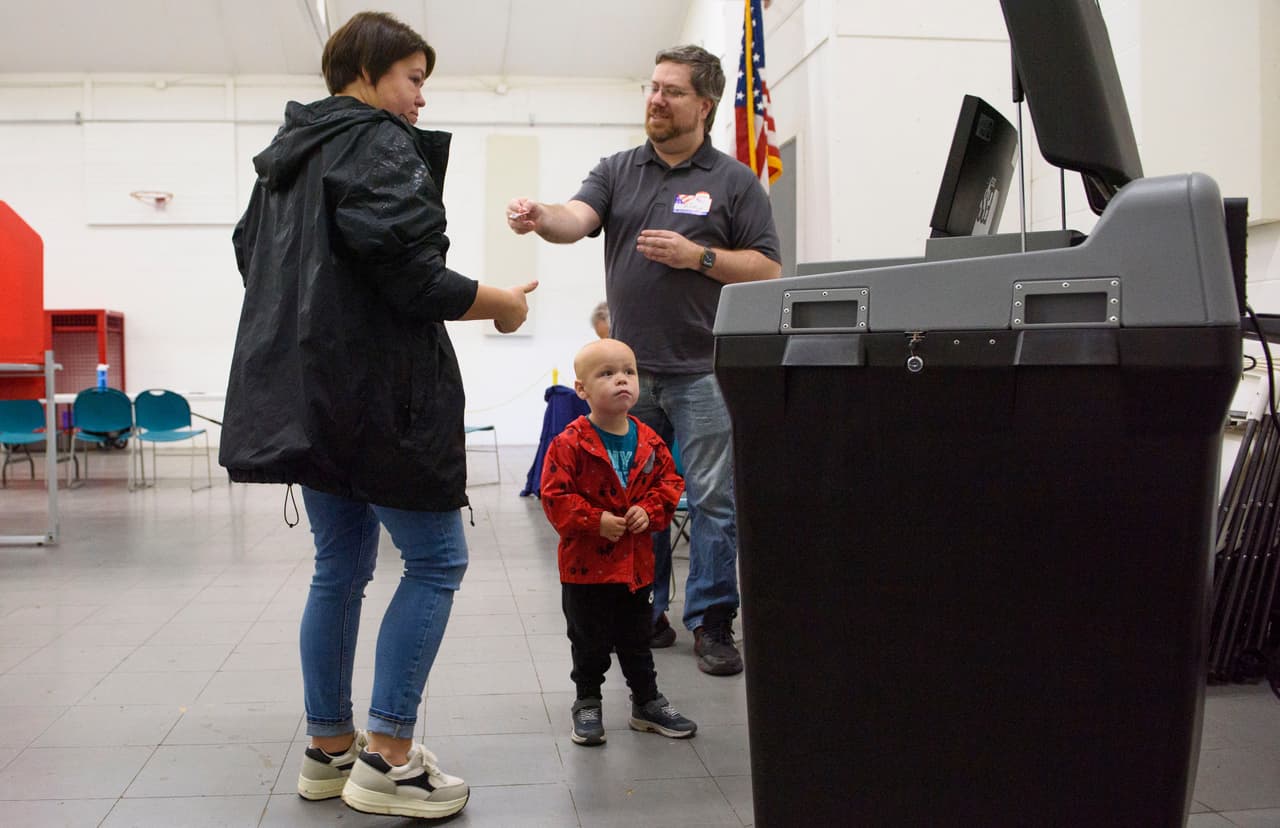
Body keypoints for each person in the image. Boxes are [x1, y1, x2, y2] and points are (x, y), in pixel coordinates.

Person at [219, 11, 536, 821]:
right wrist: (500, 302)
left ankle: (329, 749)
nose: (421, 100)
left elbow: (250, 258)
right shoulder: (376, 141)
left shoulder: (284, 161)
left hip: (312, 403)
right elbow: (413, 278)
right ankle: (390, 757)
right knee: (435, 563)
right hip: (379, 400)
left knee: (340, 569)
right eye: (414, 79)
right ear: (366, 72)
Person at [507, 45, 781, 676]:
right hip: (631, 379)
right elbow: (575, 219)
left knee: (712, 500)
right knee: (641, 498)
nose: (656, 100)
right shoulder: (618, 170)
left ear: (704, 105)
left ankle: (713, 622)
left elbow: (766, 267)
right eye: (652, 88)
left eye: (672, 91)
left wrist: (699, 258)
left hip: (705, 371)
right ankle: (646, 611)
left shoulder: (734, 182)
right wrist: (540, 216)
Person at [540, 338, 696, 745]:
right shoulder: (569, 444)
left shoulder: (650, 441)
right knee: (589, 641)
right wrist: (595, 521)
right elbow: (555, 497)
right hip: (585, 569)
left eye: (628, 371)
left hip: (635, 567)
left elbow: (669, 483)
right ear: (582, 390)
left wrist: (651, 509)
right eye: (606, 374)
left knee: (637, 640)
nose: (621, 380)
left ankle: (646, 701)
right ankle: (587, 700)